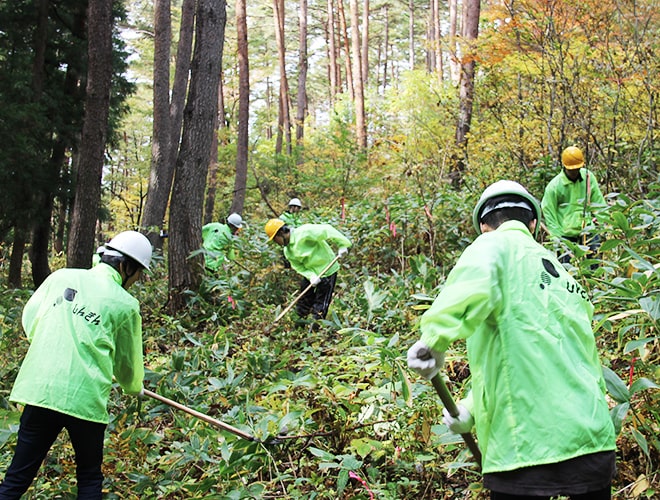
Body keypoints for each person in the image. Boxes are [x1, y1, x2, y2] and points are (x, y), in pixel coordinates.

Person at [407, 180, 616, 499]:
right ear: (533, 223)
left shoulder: (491, 247)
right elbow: (546, 359)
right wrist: (469, 409)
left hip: (525, 448)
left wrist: (433, 340)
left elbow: (459, 301)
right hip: (593, 443)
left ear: (483, 226)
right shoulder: (563, 274)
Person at [0, 231, 152, 500]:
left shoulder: (61, 277)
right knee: (89, 477)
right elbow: (127, 362)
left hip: (42, 390)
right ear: (125, 266)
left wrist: (53, 343)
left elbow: (30, 317)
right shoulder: (126, 305)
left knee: (17, 477)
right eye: (139, 272)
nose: (138, 279)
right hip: (86, 400)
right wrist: (134, 386)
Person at [264, 219, 351, 324]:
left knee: (321, 304)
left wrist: (342, 244)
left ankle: (315, 329)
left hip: (327, 270)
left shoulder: (304, 232)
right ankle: (298, 326)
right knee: (303, 301)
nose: (276, 243)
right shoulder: (287, 251)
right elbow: (298, 266)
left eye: (275, 239)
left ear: (281, 233)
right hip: (312, 275)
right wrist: (310, 276)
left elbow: (327, 230)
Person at [541, 146, 606, 263]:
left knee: (595, 264)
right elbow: (549, 211)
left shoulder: (588, 178)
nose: (574, 172)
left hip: (588, 229)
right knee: (566, 269)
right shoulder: (554, 186)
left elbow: (598, 201)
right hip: (565, 234)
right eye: (571, 169)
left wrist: (603, 222)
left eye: (577, 169)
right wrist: (557, 236)